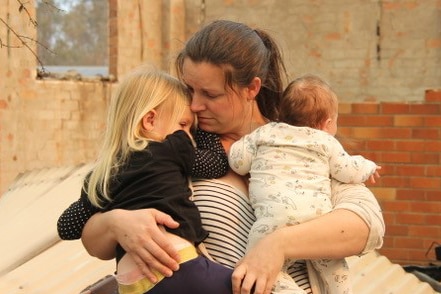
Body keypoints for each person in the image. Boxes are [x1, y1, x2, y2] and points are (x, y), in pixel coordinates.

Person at [57, 20, 385, 294]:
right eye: (190, 90)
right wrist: (115, 223)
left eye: (210, 94)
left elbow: (366, 225)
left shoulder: (297, 143)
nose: (196, 105)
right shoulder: (179, 147)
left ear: (251, 88)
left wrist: (277, 244)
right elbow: (93, 237)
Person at [61, 67, 233, 294]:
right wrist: (204, 131)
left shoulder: (101, 176)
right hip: (178, 267)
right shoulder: (172, 148)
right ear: (149, 120)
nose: (187, 135)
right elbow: (217, 164)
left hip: (130, 285)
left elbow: (67, 227)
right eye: (183, 125)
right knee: (256, 286)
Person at [228, 74, 381, 294]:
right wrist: (368, 168)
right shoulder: (326, 141)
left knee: (264, 269)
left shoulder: (263, 134)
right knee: (333, 268)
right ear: (328, 124)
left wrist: (236, 147)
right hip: (316, 221)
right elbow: (346, 170)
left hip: (271, 223)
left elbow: (239, 163)